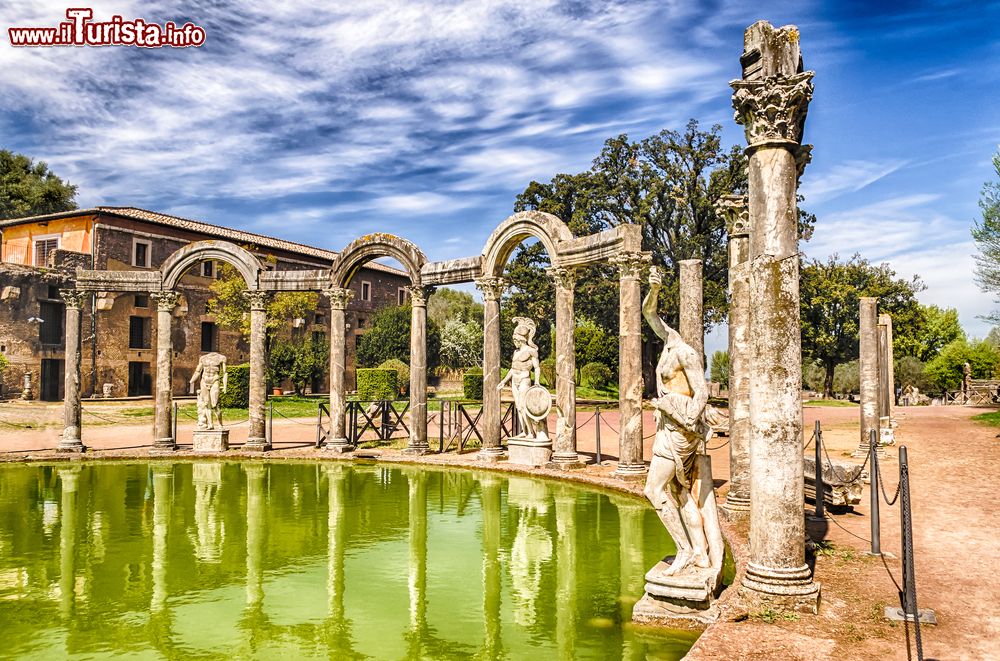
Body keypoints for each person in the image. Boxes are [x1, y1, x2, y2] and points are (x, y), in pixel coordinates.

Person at [642, 266, 713, 577]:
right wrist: (654, 290)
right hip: (668, 426)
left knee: (653, 491)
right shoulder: (668, 344)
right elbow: (648, 313)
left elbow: (702, 392)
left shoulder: (685, 353)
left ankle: (683, 550)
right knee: (680, 492)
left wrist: (685, 419)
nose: (659, 328)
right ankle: (701, 553)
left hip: (679, 430)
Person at [498, 317, 547, 441]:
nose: (514, 342)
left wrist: (537, 381)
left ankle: (532, 432)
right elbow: (512, 369)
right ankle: (525, 431)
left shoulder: (531, 351)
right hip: (515, 380)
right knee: (518, 407)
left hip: (525, 379)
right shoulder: (516, 352)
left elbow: (537, 367)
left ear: (521, 339)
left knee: (524, 405)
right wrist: (503, 381)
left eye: (516, 339)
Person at [190, 352, 228, 430]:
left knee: (215, 404)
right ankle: (210, 424)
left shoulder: (221, 358)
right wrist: (192, 381)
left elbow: (224, 373)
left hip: (215, 380)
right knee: (207, 404)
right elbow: (198, 371)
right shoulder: (203, 358)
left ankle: (220, 424)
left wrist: (225, 386)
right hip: (204, 381)